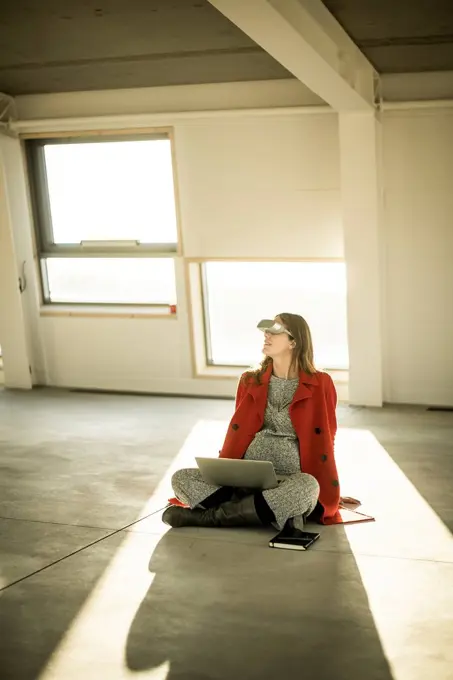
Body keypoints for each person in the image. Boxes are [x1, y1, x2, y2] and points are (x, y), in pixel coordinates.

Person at [163, 313, 350, 530]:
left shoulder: (321, 383)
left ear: (294, 342)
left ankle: (211, 517)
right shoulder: (250, 380)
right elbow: (240, 431)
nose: (267, 334)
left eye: (275, 330)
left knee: (307, 488)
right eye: (266, 330)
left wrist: (324, 481)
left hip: (289, 478)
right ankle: (264, 510)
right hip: (242, 480)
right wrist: (225, 469)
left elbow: (328, 434)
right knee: (181, 478)